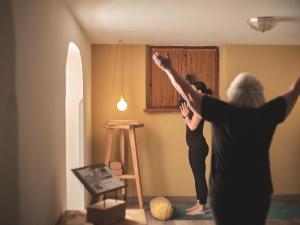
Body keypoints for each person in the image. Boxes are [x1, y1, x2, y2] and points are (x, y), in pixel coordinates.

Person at [152, 52, 300, 225]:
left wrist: (168, 68)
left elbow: (189, 94)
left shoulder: (221, 111)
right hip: (258, 193)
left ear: (233, 92)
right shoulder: (267, 114)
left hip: (224, 194)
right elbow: (294, 91)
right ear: (260, 93)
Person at [179, 81, 213, 215]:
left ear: (200, 92)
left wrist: (186, 115)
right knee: (197, 177)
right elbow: (186, 124)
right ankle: (199, 203)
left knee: (200, 177)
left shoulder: (200, 107)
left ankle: (202, 207)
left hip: (198, 147)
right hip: (194, 146)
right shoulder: (194, 106)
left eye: (192, 90)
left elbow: (192, 127)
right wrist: (185, 113)